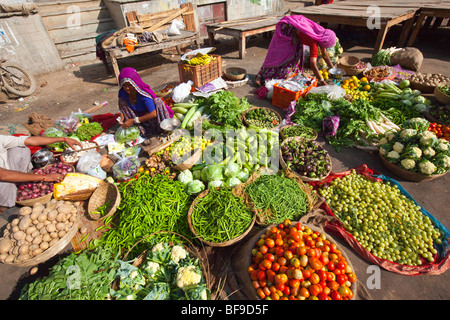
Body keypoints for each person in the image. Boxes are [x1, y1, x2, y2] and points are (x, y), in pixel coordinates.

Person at [0, 134, 82, 211]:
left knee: (21, 149)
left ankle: (20, 182)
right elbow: (3, 175)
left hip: (6, 170)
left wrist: (63, 139)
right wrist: (44, 177)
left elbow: (28, 140)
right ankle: (5, 208)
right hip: (3, 177)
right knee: (7, 183)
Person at [255, 15, 337, 87]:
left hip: (296, 27)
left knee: (297, 54)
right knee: (278, 55)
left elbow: (325, 55)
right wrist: (322, 81)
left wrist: (334, 70)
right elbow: (313, 64)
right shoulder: (314, 42)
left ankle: (289, 74)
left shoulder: (321, 34)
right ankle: (262, 76)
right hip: (287, 29)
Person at [117, 67, 174, 137]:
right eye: (124, 85)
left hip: (150, 119)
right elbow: (122, 109)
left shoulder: (143, 95)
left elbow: (153, 114)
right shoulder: (124, 93)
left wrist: (133, 121)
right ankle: (135, 126)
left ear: (135, 84)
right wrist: (121, 117)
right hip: (137, 117)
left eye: (130, 85)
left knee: (158, 101)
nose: (127, 88)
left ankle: (153, 130)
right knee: (122, 101)